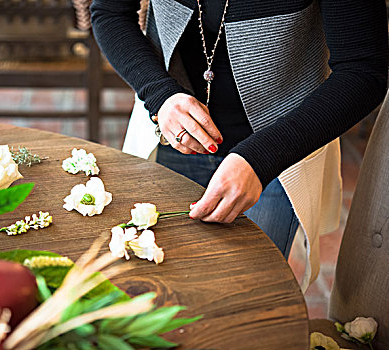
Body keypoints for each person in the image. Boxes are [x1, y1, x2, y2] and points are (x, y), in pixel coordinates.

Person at [90, 0, 387, 290]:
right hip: (170, 135)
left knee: (244, 296)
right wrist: (159, 94)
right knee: (154, 286)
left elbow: (364, 72)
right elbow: (110, 13)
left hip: (278, 157)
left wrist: (260, 159)